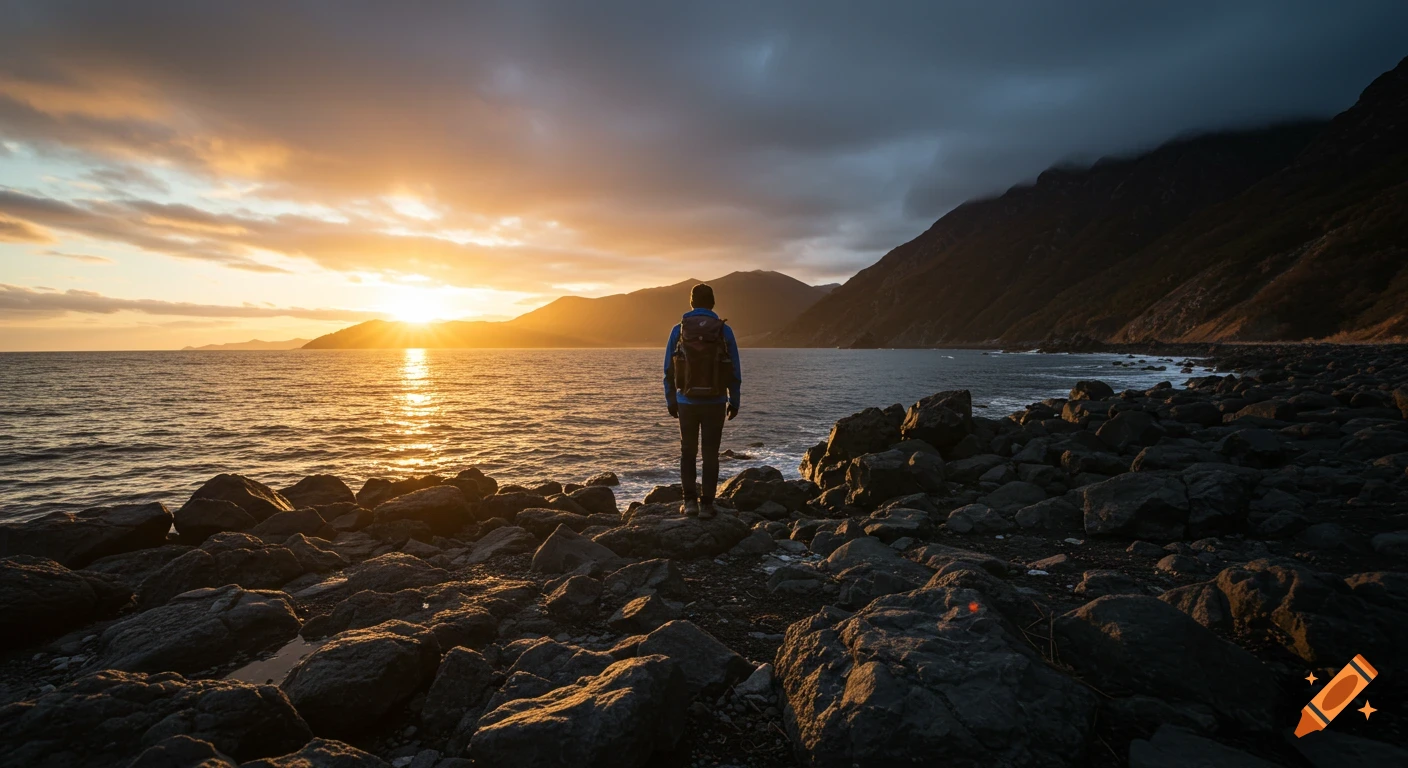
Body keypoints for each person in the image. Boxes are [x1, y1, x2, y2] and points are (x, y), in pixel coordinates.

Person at [664, 283, 741, 519]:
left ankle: (689, 504)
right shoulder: (723, 331)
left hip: (686, 401)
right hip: (716, 401)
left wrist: (671, 400)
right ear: (713, 303)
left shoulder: (679, 330)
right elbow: (734, 369)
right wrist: (734, 400)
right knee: (710, 453)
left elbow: (668, 369)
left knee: (687, 451)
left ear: (691, 303)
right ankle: (707, 504)